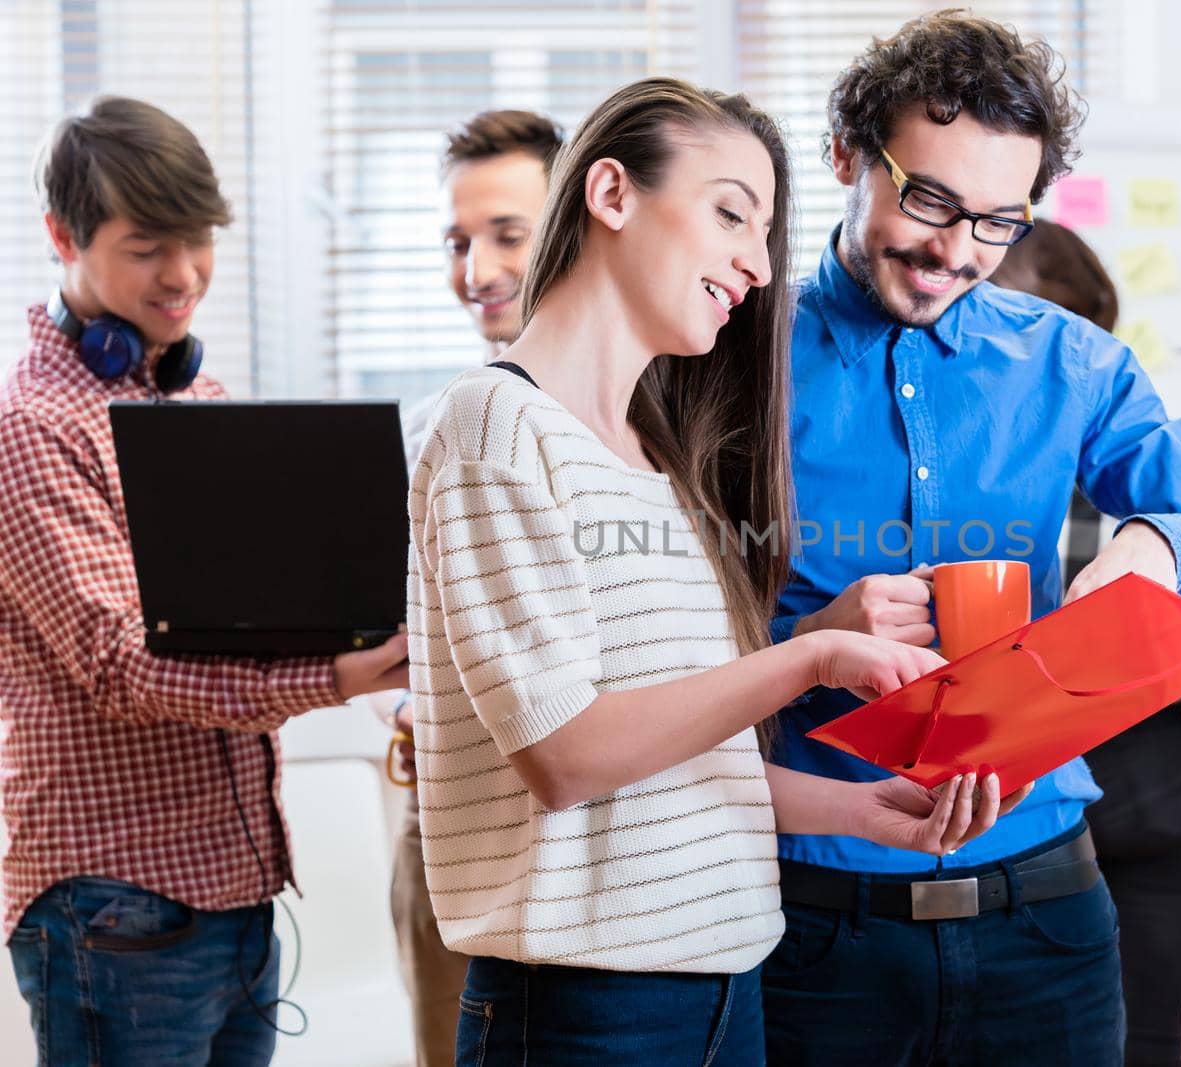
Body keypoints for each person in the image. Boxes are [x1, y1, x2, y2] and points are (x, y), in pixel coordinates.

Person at [407, 76, 1027, 1066]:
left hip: (724, 986)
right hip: (586, 1012)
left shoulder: (659, 461)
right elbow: (567, 753)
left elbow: (663, 755)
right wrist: (814, 653)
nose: (753, 261)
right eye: (730, 212)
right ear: (610, 194)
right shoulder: (495, 424)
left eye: (766, 230)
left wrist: (859, 809)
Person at [761, 13, 1181, 1065]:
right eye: (928, 200)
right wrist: (813, 635)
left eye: (998, 221)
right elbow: (653, 652)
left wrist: (1154, 546)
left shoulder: (1075, 364)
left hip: (1046, 917)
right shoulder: (734, 363)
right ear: (844, 157)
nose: (955, 253)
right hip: (811, 926)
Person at [0, 96, 410, 1066]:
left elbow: (250, 617)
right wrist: (343, 679)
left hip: (235, 889)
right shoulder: (32, 428)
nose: (183, 275)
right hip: (115, 906)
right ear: (64, 236)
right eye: (147, 246)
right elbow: (122, 666)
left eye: (196, 241)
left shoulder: (197, 400)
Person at [990, 219, 1181, 1067]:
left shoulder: (980, 469)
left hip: (1024, 787)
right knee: (1149, 1042)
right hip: (1153, 780)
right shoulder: (1140, 464)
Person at [379, 107, 563, 1067]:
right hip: (448, 814)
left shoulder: (648, 432)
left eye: (506, 234)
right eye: (458, 241)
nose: (476, 271)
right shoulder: (426, 431)